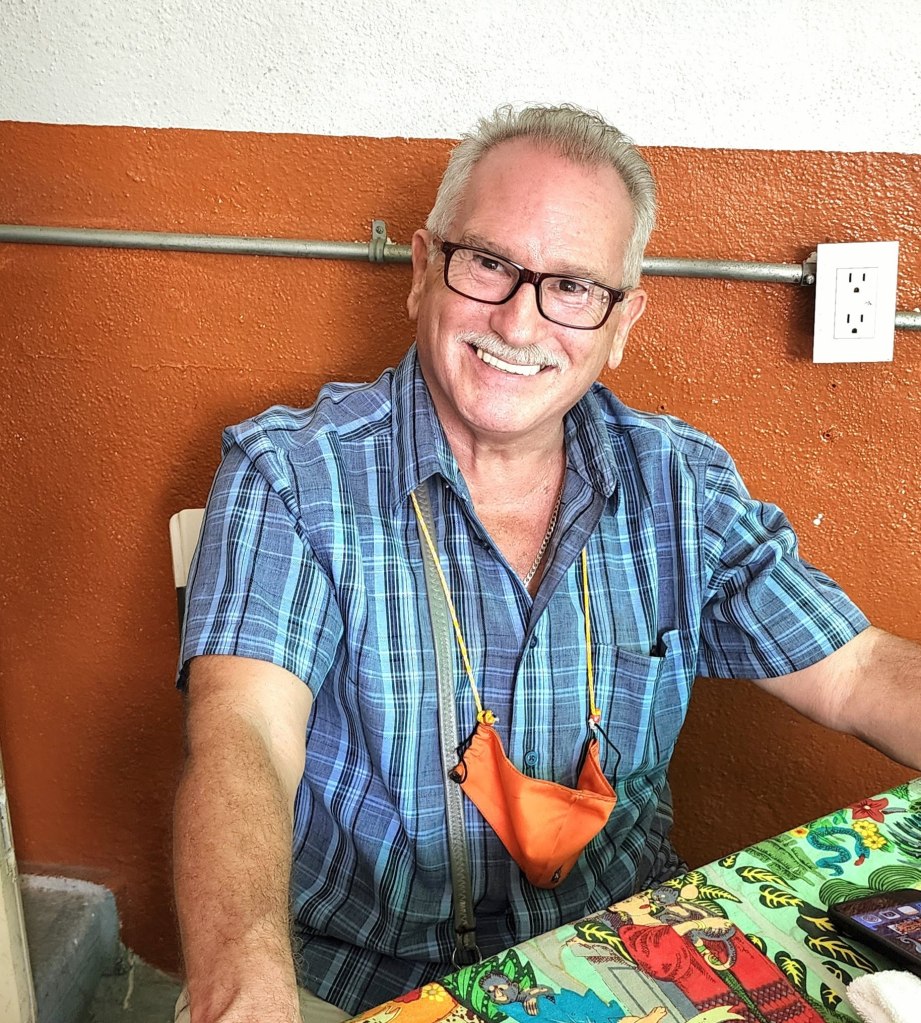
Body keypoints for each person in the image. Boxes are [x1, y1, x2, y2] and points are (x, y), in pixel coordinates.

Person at [172, 103, 921, 1023]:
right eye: (488, 264)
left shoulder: (679, 483)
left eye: (570, 286)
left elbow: (853, 670)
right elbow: (244, 734)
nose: (520, 323)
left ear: (621, 321)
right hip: (362, 980)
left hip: (627, 960)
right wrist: (244, 987)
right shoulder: (292, 475)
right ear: (422, 270)